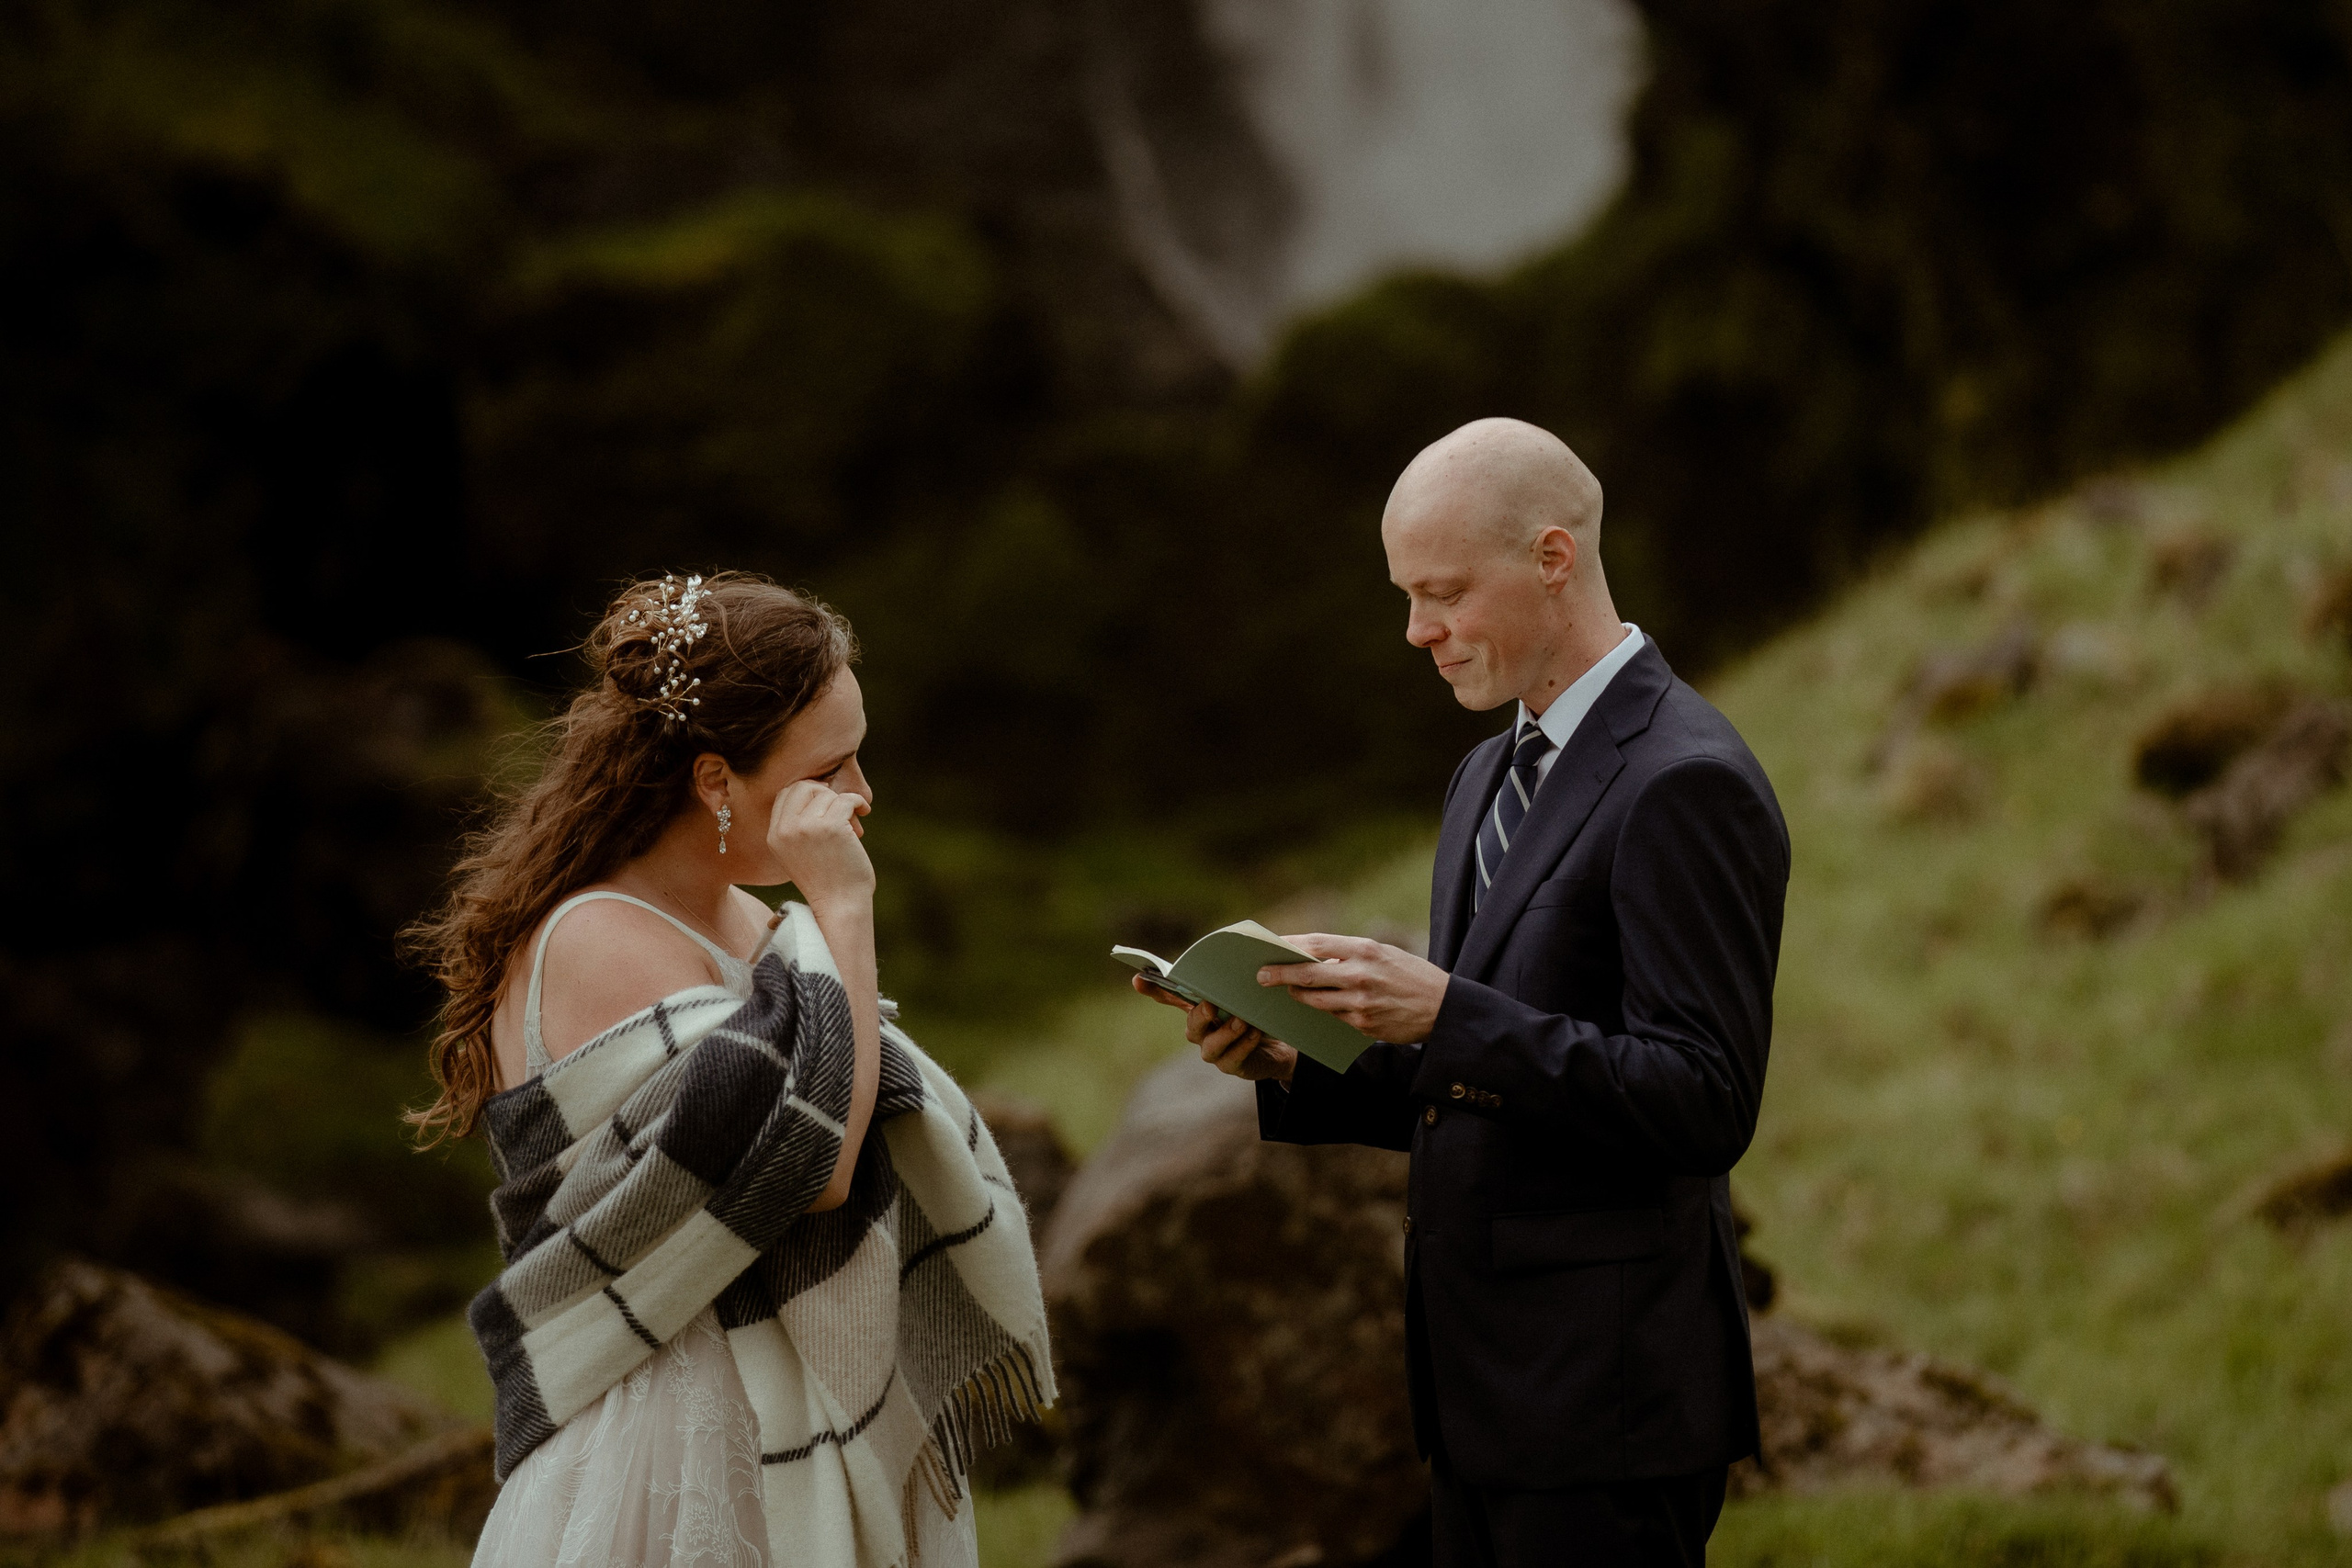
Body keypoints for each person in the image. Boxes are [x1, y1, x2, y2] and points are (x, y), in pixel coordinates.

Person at [1139, 420, 1789, 1568]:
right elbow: (1480, 1083)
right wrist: (1296, 1058)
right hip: (1478, 1397)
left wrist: (1448, 1011)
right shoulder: (1485, 773)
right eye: (1405, 596)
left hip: (1611, 1410)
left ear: (1552, 558)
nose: (1416, 632)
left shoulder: (1686, 780)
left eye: (1440, 593)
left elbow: (1703, 1101)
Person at [410, 573, 1053, 1568]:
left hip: (792, 1400)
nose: (862, 798)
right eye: (832, 769)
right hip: (676, 1431)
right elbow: (815, 1167)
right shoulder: (595, 938)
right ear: (715, 782)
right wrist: (842, 911)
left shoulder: (751, 921)